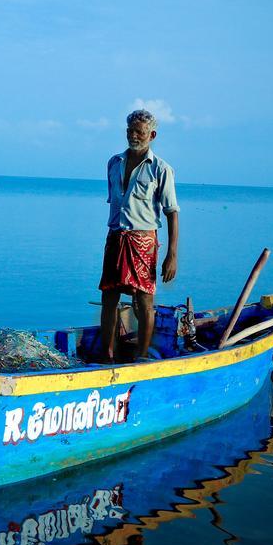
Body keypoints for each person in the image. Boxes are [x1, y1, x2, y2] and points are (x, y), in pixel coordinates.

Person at [98, 109, 179, 362]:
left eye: (139, 132)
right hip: (116, 237)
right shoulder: (114, 163)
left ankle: (142, 357)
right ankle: (107, 354)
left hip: (143, 241)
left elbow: (172, 212)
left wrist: (171, 255)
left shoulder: (161, 169)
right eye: (130, 131)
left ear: (151, 135)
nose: (133, 136)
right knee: (109, 296)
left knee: (144, 300)